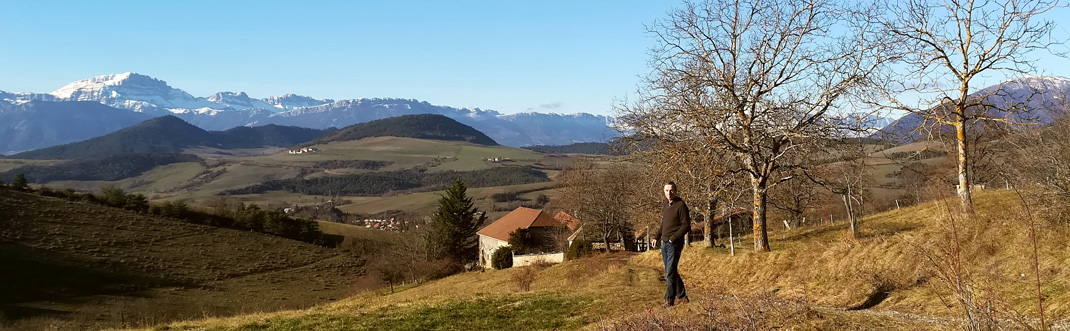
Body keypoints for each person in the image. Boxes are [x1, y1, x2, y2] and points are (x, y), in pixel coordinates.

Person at [652, 181, 689, 307]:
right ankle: (682, 296)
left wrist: (673, 238)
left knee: (669, 272)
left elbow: (686, 226)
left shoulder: (681, 205)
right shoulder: (666, 205)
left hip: (674, 244)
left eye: (671, 190)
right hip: (664, 243)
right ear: (664, 192)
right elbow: (664, 224)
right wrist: (656, 237)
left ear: (676, 191)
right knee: (671, 271)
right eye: (667, 190)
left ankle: (669, 299)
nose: (669, 193)